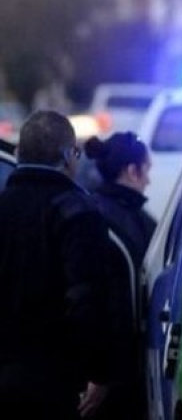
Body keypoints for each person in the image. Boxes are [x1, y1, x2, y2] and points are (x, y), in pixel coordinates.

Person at [0, 110, 121, 419]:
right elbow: (87, 298)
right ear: (68, 155)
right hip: (55, 380)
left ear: (19, 152)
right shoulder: (78, 212)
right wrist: (100, 371)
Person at [82, 131, 156, 420]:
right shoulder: (137, 223)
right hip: (122, 371)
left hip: (103, 370)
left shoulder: (90, 213)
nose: (149, 180)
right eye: (146, 169)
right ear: (131, 171)